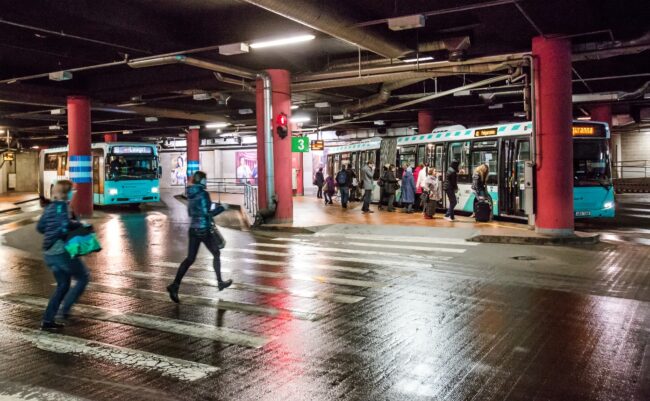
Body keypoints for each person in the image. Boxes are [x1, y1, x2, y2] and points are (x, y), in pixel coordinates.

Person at [167, 171, 232, 303]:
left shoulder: (190, 194)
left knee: (190, 259)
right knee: (216, 253)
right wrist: (222, 208)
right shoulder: (203, 193)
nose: (206, 181)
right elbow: (208, 213)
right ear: (201, 180)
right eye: (205, 179)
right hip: (204, 230)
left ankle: (175, 285)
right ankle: (220, 282)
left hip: (193, 229)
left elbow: (192, 212)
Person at [36, 180, 90, 330]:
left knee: (63, 285)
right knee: (83, 276)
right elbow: (64, 227)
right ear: (67, 193)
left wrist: (51, 230)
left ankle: (47, 321)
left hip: (48, 254)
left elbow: (40, 227)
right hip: (61, 252)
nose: (73, 193)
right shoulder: (63, 207)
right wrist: (79, 225)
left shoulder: (49, 207)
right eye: (72, 191)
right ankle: (65, 310)